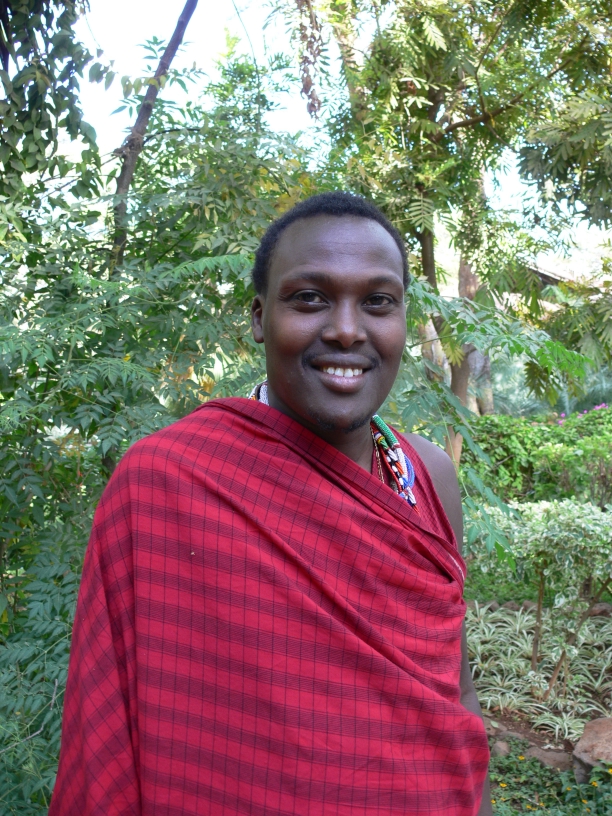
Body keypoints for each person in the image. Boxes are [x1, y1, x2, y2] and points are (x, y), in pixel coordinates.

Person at [49, 191, 491, 816]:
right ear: (260, 317)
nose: (346, 329)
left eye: (378, 301)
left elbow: (456, 691)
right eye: (309, 298)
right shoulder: (167, 482)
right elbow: (108, 724)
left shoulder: (428, 477)